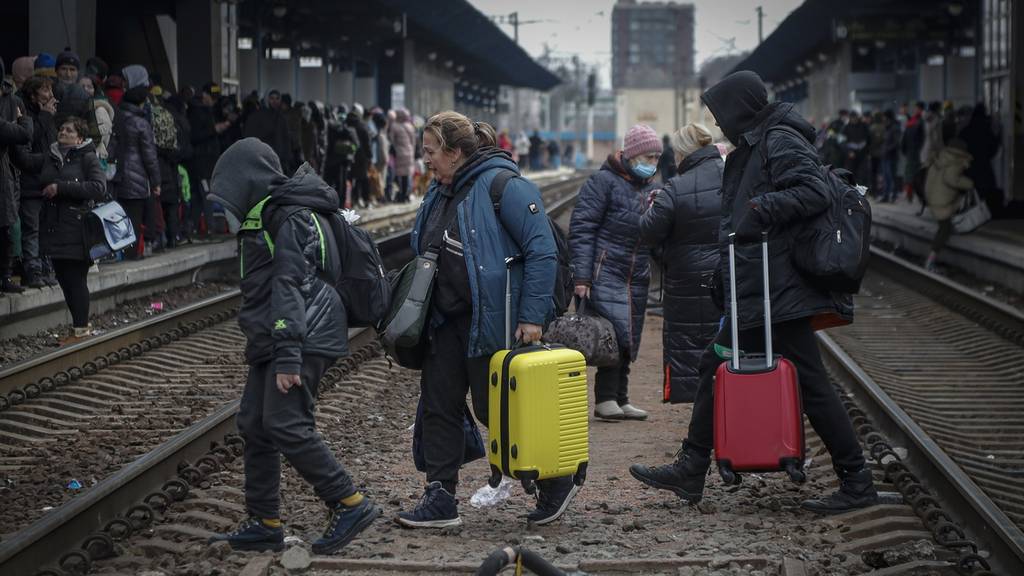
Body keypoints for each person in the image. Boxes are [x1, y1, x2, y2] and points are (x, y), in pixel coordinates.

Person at [629, 71, 878, 514]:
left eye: (719, 113)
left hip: (777, 287)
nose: (718, 123)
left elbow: (813, 191)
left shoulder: (779, 139)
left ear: (739, 107)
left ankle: (857, 480)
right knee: (715, 364)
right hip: (762, 285)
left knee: (811, 383)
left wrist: (762, 207)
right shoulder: (757, 141)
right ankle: (692, 466)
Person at [206, 138, 380, 553]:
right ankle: (265, 521)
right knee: (255, 422)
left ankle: (349, 501)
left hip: (303, 334)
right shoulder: (266, 215)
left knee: (286, 423)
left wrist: (287, 354)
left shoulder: (290, 217)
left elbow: (292, 285)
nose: (225, 207)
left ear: (248, 182)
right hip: (280, 334)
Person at [397, 111, 569, 528]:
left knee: (500, 412)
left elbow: (542, 251)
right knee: (439, 405)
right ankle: (440, 496)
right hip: (445, 321)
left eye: (432, 152)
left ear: (455, 152)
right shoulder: (441, 190)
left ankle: (555, 481)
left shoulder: (503, 186)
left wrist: (531, 316)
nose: (426, 161)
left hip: (493, 322)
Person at [569, 124, 660, 421]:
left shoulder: (648, 189)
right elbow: (582, 229)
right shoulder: (603, 182)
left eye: (657, 158)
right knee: (614, 334)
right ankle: (605, 398)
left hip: (636, 273)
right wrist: (582, 277)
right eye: (648, 156)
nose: (653, 163)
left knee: (629, 333)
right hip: (605, 270)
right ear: (632, 155)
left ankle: (621, 397)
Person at [638, 123, 723, 403]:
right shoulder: (732, 176)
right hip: (729, 282)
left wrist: (652, 205)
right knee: (726, 350)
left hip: (686, 285)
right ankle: (719, 429)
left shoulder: (675, 188)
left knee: (691, 353)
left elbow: (648, 232)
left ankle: (700, 436)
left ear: (684, 153)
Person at [38, 116, 106, 340]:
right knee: (65, 280)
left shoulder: (87, 158)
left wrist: (61, 187)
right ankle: (79, 328)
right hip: (54, 228)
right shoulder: (52, 156)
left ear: (79, 138)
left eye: (69, 130)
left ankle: (80, 329)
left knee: (75, 280)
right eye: (62, 129)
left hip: (78, 231)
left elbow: (98, 188)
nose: (63, 132)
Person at [108, 65, 160, 259]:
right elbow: (150, 156)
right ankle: (130, 256)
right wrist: (155, 182)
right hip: (138, 179)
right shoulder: (141, 123)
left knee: (120, 218)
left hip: (118, 175)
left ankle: (119, 255)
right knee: (134, 220)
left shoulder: (117, 116)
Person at [15, 75, 59, 287]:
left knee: (45, 229)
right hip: (30, 184)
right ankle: (31, 271)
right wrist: (44, 116)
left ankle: (44, 267)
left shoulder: (48, 115)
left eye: (50, 90)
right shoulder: (26, 113)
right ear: (33, 95)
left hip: (47, 182)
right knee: (31, 229)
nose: (50, 95)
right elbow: (30, 140)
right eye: (45, 90)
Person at [0, 57, 33, 294]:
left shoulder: (10, 99)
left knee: (5, 232)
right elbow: (23, 134)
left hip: (5, 177)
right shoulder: (13, 105)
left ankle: (3, 277)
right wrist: (24, 118)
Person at [923, 139, 973, 271]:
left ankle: (931, 259)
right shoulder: (955, 161)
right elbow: (952, 179)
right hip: (942, 201)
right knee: (944, 230)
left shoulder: (941, 157)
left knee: (945, 226)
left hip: (933, 197)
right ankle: (930, 261)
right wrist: (970, 184)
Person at [187, 82, 226, 238]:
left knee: (198, 196)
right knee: (206, 194)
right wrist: (214, 130)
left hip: (206, 162)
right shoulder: (197, 112)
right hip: (202, 162)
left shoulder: (208, 111)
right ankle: (210, 229)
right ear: (204, 96)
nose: (215, 101)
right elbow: (195, 136)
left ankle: (192, 228)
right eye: (212, 97)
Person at [958, 103, 1002, 217]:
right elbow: (992, 149)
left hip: (969, 167)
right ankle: (985, 212)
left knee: (970, 190)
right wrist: (998, 137)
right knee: (986, 190)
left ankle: (972, 212)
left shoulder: (966, 130)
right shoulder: (987, 130)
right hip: (984, 167)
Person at [243, 89, 293, 174]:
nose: (275, 101)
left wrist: (287, 157)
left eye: (277, 98)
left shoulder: (281, 118)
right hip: (262, 160)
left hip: (278, 161)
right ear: (267, 99)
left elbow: (285, 138)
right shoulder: (257, 116)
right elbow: (249, 137)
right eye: (272, 98)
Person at [77, 76, 114, 164]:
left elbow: (102, 135)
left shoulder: (100, 110)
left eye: (89, 87)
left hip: (95, 156)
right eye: (82, 87)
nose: (85, 89)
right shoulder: (75, 106)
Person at [388, 108, 416, 203]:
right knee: (407, 176)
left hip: (399, 153)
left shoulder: (394, 126)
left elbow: (391, 140)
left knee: (398, 175)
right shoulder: (410, 126)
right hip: (409, 152)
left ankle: (400, 195)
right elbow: (413, 141)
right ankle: (406, 195)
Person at [901, 102, 926, 200]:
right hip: (913, 151)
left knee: (913, 173)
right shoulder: (915, 121)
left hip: (915, 152)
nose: (915, 110)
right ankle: (911, 193)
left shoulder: (917, 122)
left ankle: (912, 193)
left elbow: (921, 138)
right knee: (912, 173)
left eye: (916, 108)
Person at [880, 110, 901, 202]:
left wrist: (887, 149)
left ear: (887, 117)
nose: (883, 118)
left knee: (891, 177)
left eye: (884, 116)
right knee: (886, 177)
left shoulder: (894, 127)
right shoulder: (887, 127)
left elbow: (896, 142)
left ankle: (893, 195)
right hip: (885, 156)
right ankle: (886, 196)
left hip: (891, 156)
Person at [920, 101, 945, 168]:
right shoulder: (935, 119)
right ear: (936, 108)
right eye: (940, 108)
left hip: (927, 147)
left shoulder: (928, 118)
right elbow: (936, 136)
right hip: (933, 148)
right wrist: (941, 148)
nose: (941, 109)